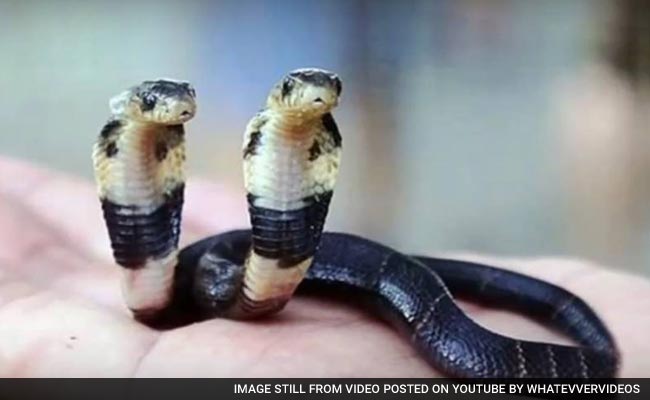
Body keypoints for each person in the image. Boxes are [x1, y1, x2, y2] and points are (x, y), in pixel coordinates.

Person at [0, 156, 647, 377]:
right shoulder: (210, 265)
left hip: (438, 313)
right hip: (220, 272)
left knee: (397, 273)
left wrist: (617, 362)